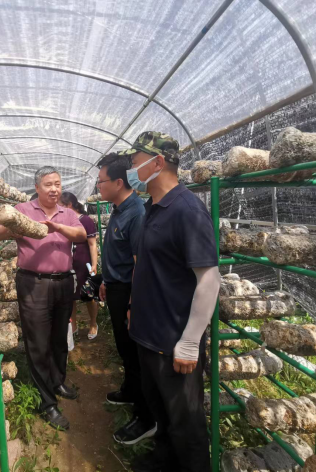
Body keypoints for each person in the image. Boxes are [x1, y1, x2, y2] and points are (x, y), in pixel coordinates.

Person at [125, 131, 221, 472]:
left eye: (135, 162)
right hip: (148, 335)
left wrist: (191, 340)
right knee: (162, 413)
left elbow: (209, 278)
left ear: (158, 162)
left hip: (173, 341)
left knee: (186, 423)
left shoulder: (186, 209)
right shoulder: (153, 207)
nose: (131, 169)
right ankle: (164, 462)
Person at [0, 167, 87, 431]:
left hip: (63, 282)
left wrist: (57, 227)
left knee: (59, 337)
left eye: (58, 184)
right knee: (38, 341)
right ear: (37, 187)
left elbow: (81, 235)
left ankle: (58, 381)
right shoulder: (22, 210)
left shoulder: (68, 213)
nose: (54, 189)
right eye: (48, 184)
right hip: (34, 283)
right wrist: (10, 229)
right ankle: (47, 403)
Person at [95, 152, 155, 446]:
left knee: (135, 354)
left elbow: (140, 265)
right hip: (116, 287)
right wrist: (106, 280)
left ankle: (146, 417)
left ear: (118, 182)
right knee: (124, 347)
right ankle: (130, 391)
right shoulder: (119, 209)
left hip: (130, 291)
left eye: (101, 181)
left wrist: (133, 303)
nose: (98, 186)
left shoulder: (137, 213)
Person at [59, 191, 99, 339]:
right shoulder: (63, 220)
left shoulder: (86, 220)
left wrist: (94, 264)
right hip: (68, 263)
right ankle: (74, 324)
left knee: (88, 294)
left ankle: (93, 323)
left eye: (60, 205)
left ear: (69, 205)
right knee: (70, 296)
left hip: (83, 262)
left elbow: (92, 244)